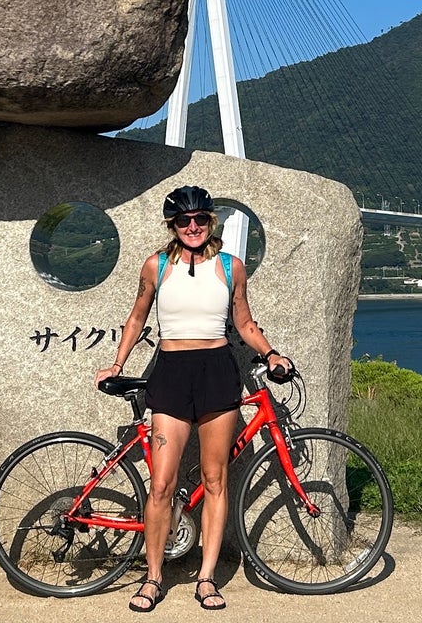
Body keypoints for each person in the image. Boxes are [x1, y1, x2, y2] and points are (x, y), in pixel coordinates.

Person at [94, 185, 291, 613]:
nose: (193, 226)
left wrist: (271, 353)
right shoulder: (157, 265)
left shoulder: (231, 267)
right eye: (184, 221)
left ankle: (206, 578)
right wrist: (117, 363)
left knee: (215, 480)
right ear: (172, 226)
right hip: (170, 374)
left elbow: (245, 323)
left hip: (217, 373)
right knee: (161, 484)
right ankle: (152, 578)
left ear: (210, 222)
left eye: (201, 219)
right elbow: (136, 316)